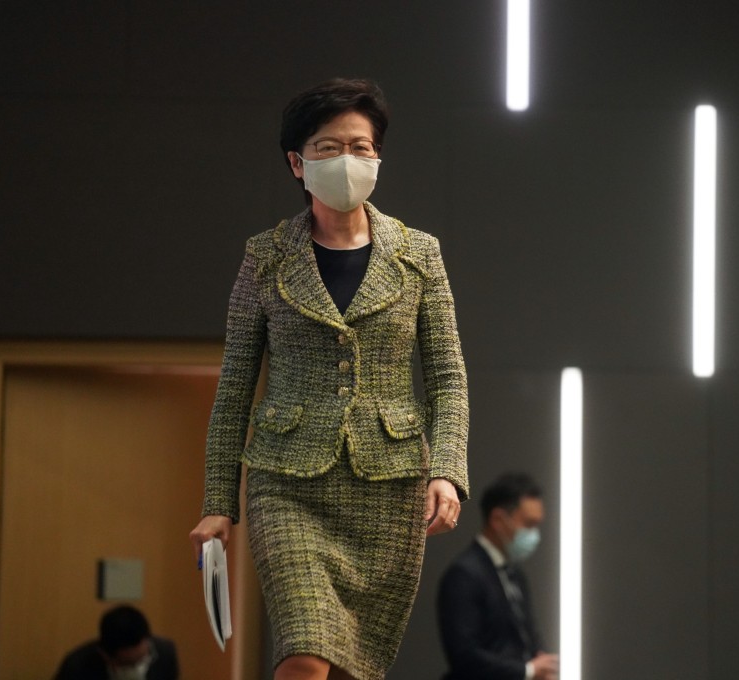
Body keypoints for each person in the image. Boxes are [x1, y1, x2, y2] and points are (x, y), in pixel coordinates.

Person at [188, 77, 469, 680]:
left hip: (388, 485)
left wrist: (448, 469)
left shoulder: (420, 253)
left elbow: (447, 375)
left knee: (350, 669)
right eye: (328, 147)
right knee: (305, 654)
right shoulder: (264, 256)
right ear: (297, 162)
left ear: (378, 155)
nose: (348, 159)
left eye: (361, 146)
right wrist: (219, 502)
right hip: (286, 483)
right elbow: (235, 386)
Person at [437, 472, 558, 680]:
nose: (534, 535)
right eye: (529, 524)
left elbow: (528, 636)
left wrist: (544, 665)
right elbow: (464, 657)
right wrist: (528, 671)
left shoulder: (515, 574)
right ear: (498, 519)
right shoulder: (463, 575)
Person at [53, 604, 179, 680]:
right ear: (105, 655)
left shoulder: (164, 653)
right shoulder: (77, 667)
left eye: (142, 660)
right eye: (128, 664)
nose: (137, 668)